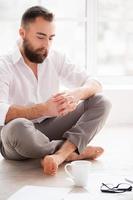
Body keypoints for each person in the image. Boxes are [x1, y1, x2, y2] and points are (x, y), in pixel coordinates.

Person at [0, 6, 111, 176]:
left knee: (102, 102)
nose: (46, 45)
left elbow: (95, 83)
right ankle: (72, 150)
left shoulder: (55, 57)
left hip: (51, 126)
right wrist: (44, 108)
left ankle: (59, 155)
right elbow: (1, 112)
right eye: (40, 37)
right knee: (18, 127)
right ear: (22, 33)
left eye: (51, 38)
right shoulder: (4, 64)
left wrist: (76, 94)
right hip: (17, 137)